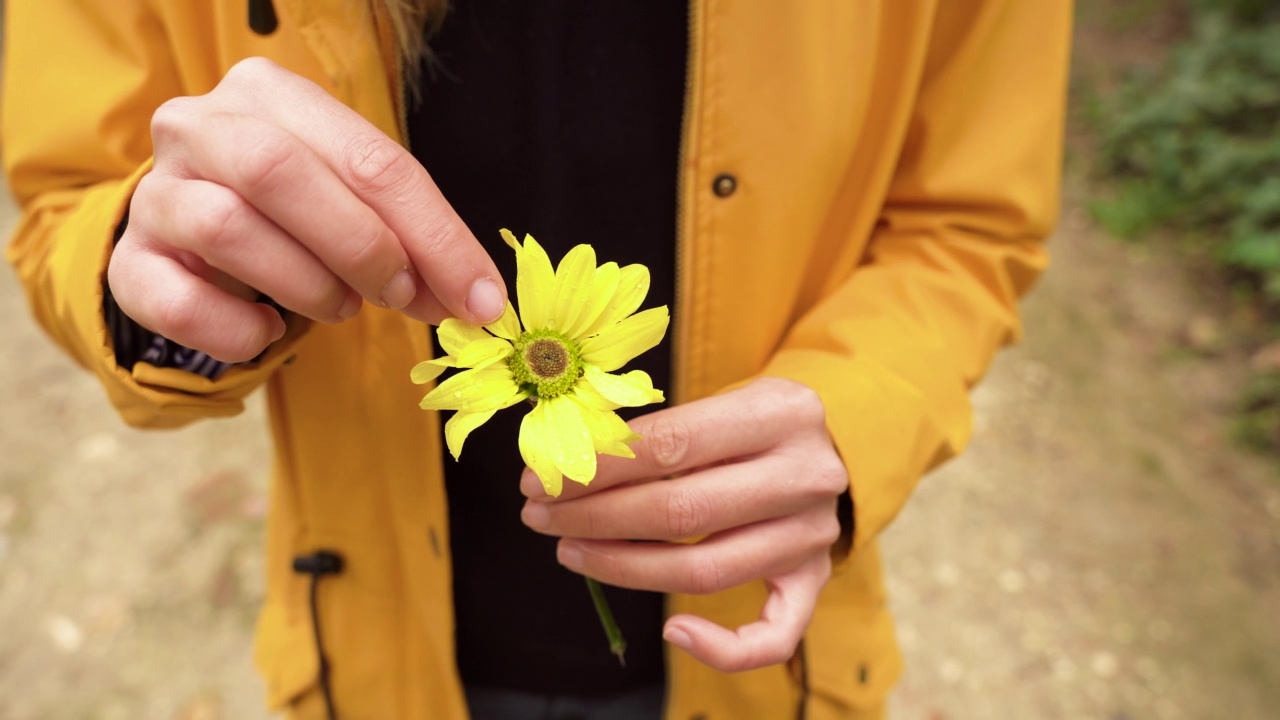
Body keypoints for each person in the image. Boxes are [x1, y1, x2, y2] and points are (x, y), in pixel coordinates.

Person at [2, 1, 1073, 718]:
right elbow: (67, 201)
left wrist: (856, 411)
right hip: (375, 654)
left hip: (750, 646)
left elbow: (969, 227)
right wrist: (163, 264)